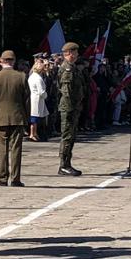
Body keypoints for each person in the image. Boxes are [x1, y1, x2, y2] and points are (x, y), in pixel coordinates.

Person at [0, 50, 30, 187]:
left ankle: (2, 178)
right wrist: (26, 117)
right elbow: (27, 100)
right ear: (14, 61)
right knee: (16, 149)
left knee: (2, 149)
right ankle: (15, 178)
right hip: (17, 117)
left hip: (0, 118)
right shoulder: (21, 77)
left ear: (1, 61)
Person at [57, 42, 88, 176]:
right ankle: (64, 165)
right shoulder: (67, 69)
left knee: (71, 136)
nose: (77, 55)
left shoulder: (73, 67)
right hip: (68, 107)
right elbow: (66, 91)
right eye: (75, 52)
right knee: (67, 136)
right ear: (69, 53)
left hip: (74, 107)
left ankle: (67, 163)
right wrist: (71, 108)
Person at [27, 57, 48, 141]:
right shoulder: (38, 78)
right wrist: (46, 95)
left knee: (34, 118)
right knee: (35, 118)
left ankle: (34, 133)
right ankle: (32, 134)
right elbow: (41, 91)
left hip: (33, 98)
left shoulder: (32, 76)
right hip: (37, 99)